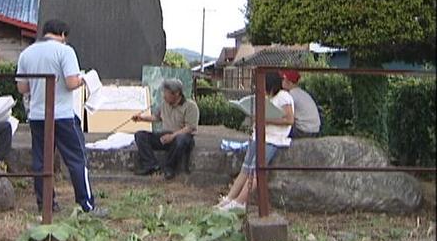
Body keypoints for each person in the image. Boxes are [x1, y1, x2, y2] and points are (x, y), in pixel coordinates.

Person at [16, 19, 103, 216]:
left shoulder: (27, 53)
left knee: (41, 161)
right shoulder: (65, 51)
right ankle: (86, 205)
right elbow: (71, 82)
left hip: (37, 115)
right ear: (63, 34)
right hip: (62, 114)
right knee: (76, 159)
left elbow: (22, 87)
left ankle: (46, 203)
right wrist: (85, 79)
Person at [215, 72, 294, 211]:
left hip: (273, 138)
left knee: (255, 170)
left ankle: (240, 201)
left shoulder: (284, 97)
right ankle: (229, 198)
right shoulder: (266, 97)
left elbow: (289, 120)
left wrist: (264, 119)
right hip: (258, 136)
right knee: (245, 168)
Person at [132, 78, 200, 180]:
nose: (164, 96)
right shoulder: (165, 104)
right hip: (166, 135)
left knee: (180, 140)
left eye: (166, 93)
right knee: (140, 135)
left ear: (176, 94)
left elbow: (190, 128)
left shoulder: (190, 106)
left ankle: (170, 168)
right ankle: (151, 164)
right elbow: (156, 117)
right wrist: (141, 118)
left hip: (181, 136)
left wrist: (172, 136)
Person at [279, 70, 321, 138]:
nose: (281, 81)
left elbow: (284, 116)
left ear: (288, 82)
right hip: (315, 130)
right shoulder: (302, 93)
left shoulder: (290, 96)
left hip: (303, 131)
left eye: (282, 79)